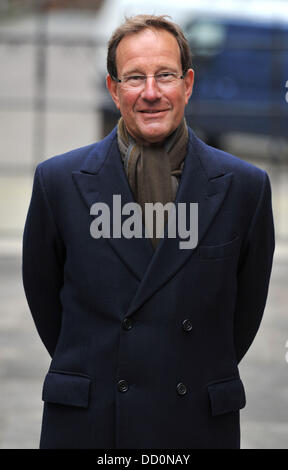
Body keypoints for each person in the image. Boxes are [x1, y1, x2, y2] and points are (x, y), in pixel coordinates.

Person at [22, 14, 275, 449]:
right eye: (135, 77)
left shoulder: (245, 188)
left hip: (194, 420)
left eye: (165, 76)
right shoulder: (58, 182)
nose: (152, 93)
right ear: (113, 89)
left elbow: (244, 314)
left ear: (188, 84)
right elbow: (46, 302)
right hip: (91, 422)